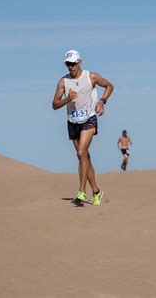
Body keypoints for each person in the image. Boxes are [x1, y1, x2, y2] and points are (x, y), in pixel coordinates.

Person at [52, 49, 114, 206]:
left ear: (79, 62)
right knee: (84, 157)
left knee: (81, 153)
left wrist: (102, 101)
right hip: (72, 122)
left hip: (89, 119)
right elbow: (54, 105)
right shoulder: (63, 82)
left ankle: (81, 191)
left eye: (73, 63)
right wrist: (68, 99)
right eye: (68, 64)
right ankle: (96, 192)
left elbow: (109, 86)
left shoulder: (90, 76)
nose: (70, 67)